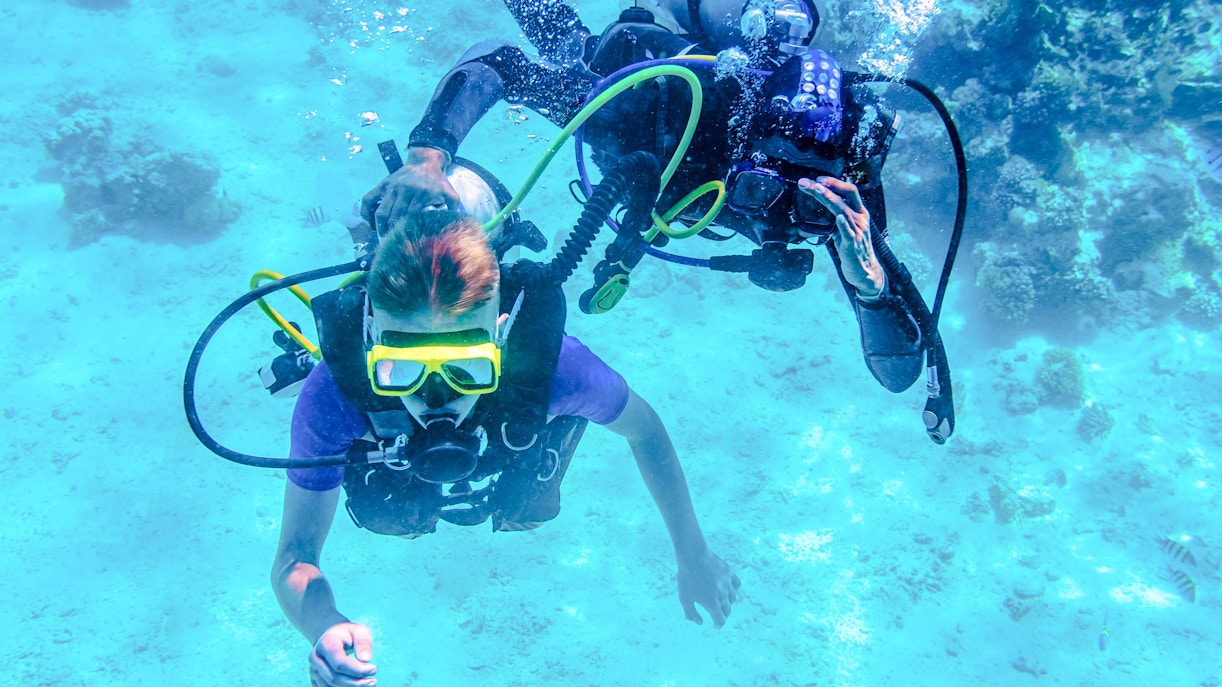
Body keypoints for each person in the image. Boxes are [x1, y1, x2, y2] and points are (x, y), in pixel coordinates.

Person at [362, 0, 927, 396]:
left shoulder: (839, 189)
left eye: (804, 206)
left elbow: (901, 374)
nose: (778, 221)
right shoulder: (648, 117)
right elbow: (500, 62)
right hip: (666, 80)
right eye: (758, 189)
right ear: (737, 153)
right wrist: (427, 157)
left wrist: (871, 290)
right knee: (579, 50)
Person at [272, 210, 740, 687]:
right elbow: (295, 552)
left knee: (532, 509)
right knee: (392, 519)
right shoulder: (331, 394)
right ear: (372, 342)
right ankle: (362, 229)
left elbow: (646, 431)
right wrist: (323, 622)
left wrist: (693, 554)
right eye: (402, 371)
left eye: (466, 369)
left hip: (514, 423)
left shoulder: (559, 370)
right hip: (389, 450)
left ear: (500, 336)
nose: (439, 401)